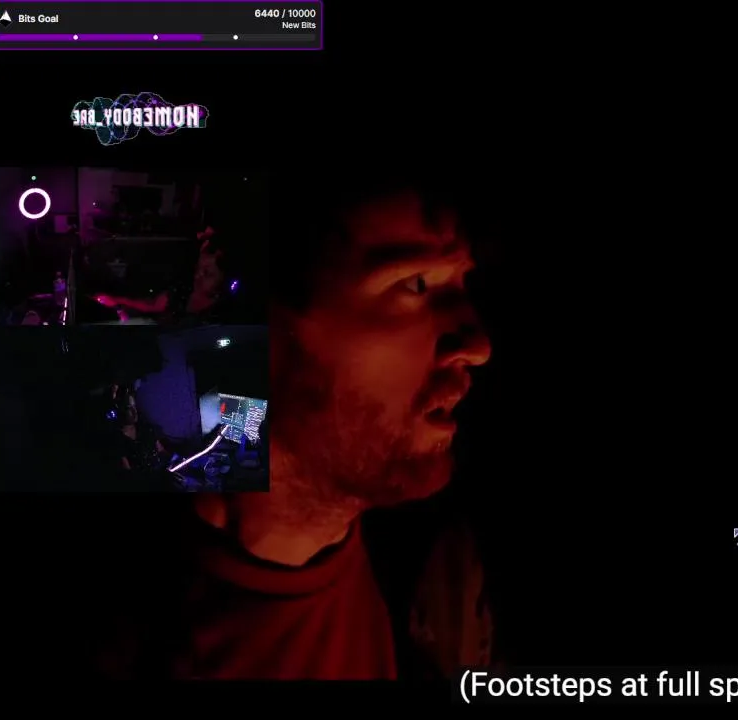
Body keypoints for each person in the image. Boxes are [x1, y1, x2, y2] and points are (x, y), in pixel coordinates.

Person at [91, 184, 495, 680]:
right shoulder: (155, 643)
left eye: (462, 281)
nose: (478, 345)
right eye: (415, 283)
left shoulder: (422, 562)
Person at [93, 229, 232, 325]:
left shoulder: (219, 316)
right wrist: (114, 301)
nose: (197, 276)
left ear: (224, 280)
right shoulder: (184, 290)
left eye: (207, 274)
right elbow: (152, 305)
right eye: (197, 269)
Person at [108, 383, 170, 472]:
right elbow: (127, 471)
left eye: (134, 406)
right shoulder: (118, 440)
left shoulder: (146, 428)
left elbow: (161, 451)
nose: (134, 411)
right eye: (129, 407)